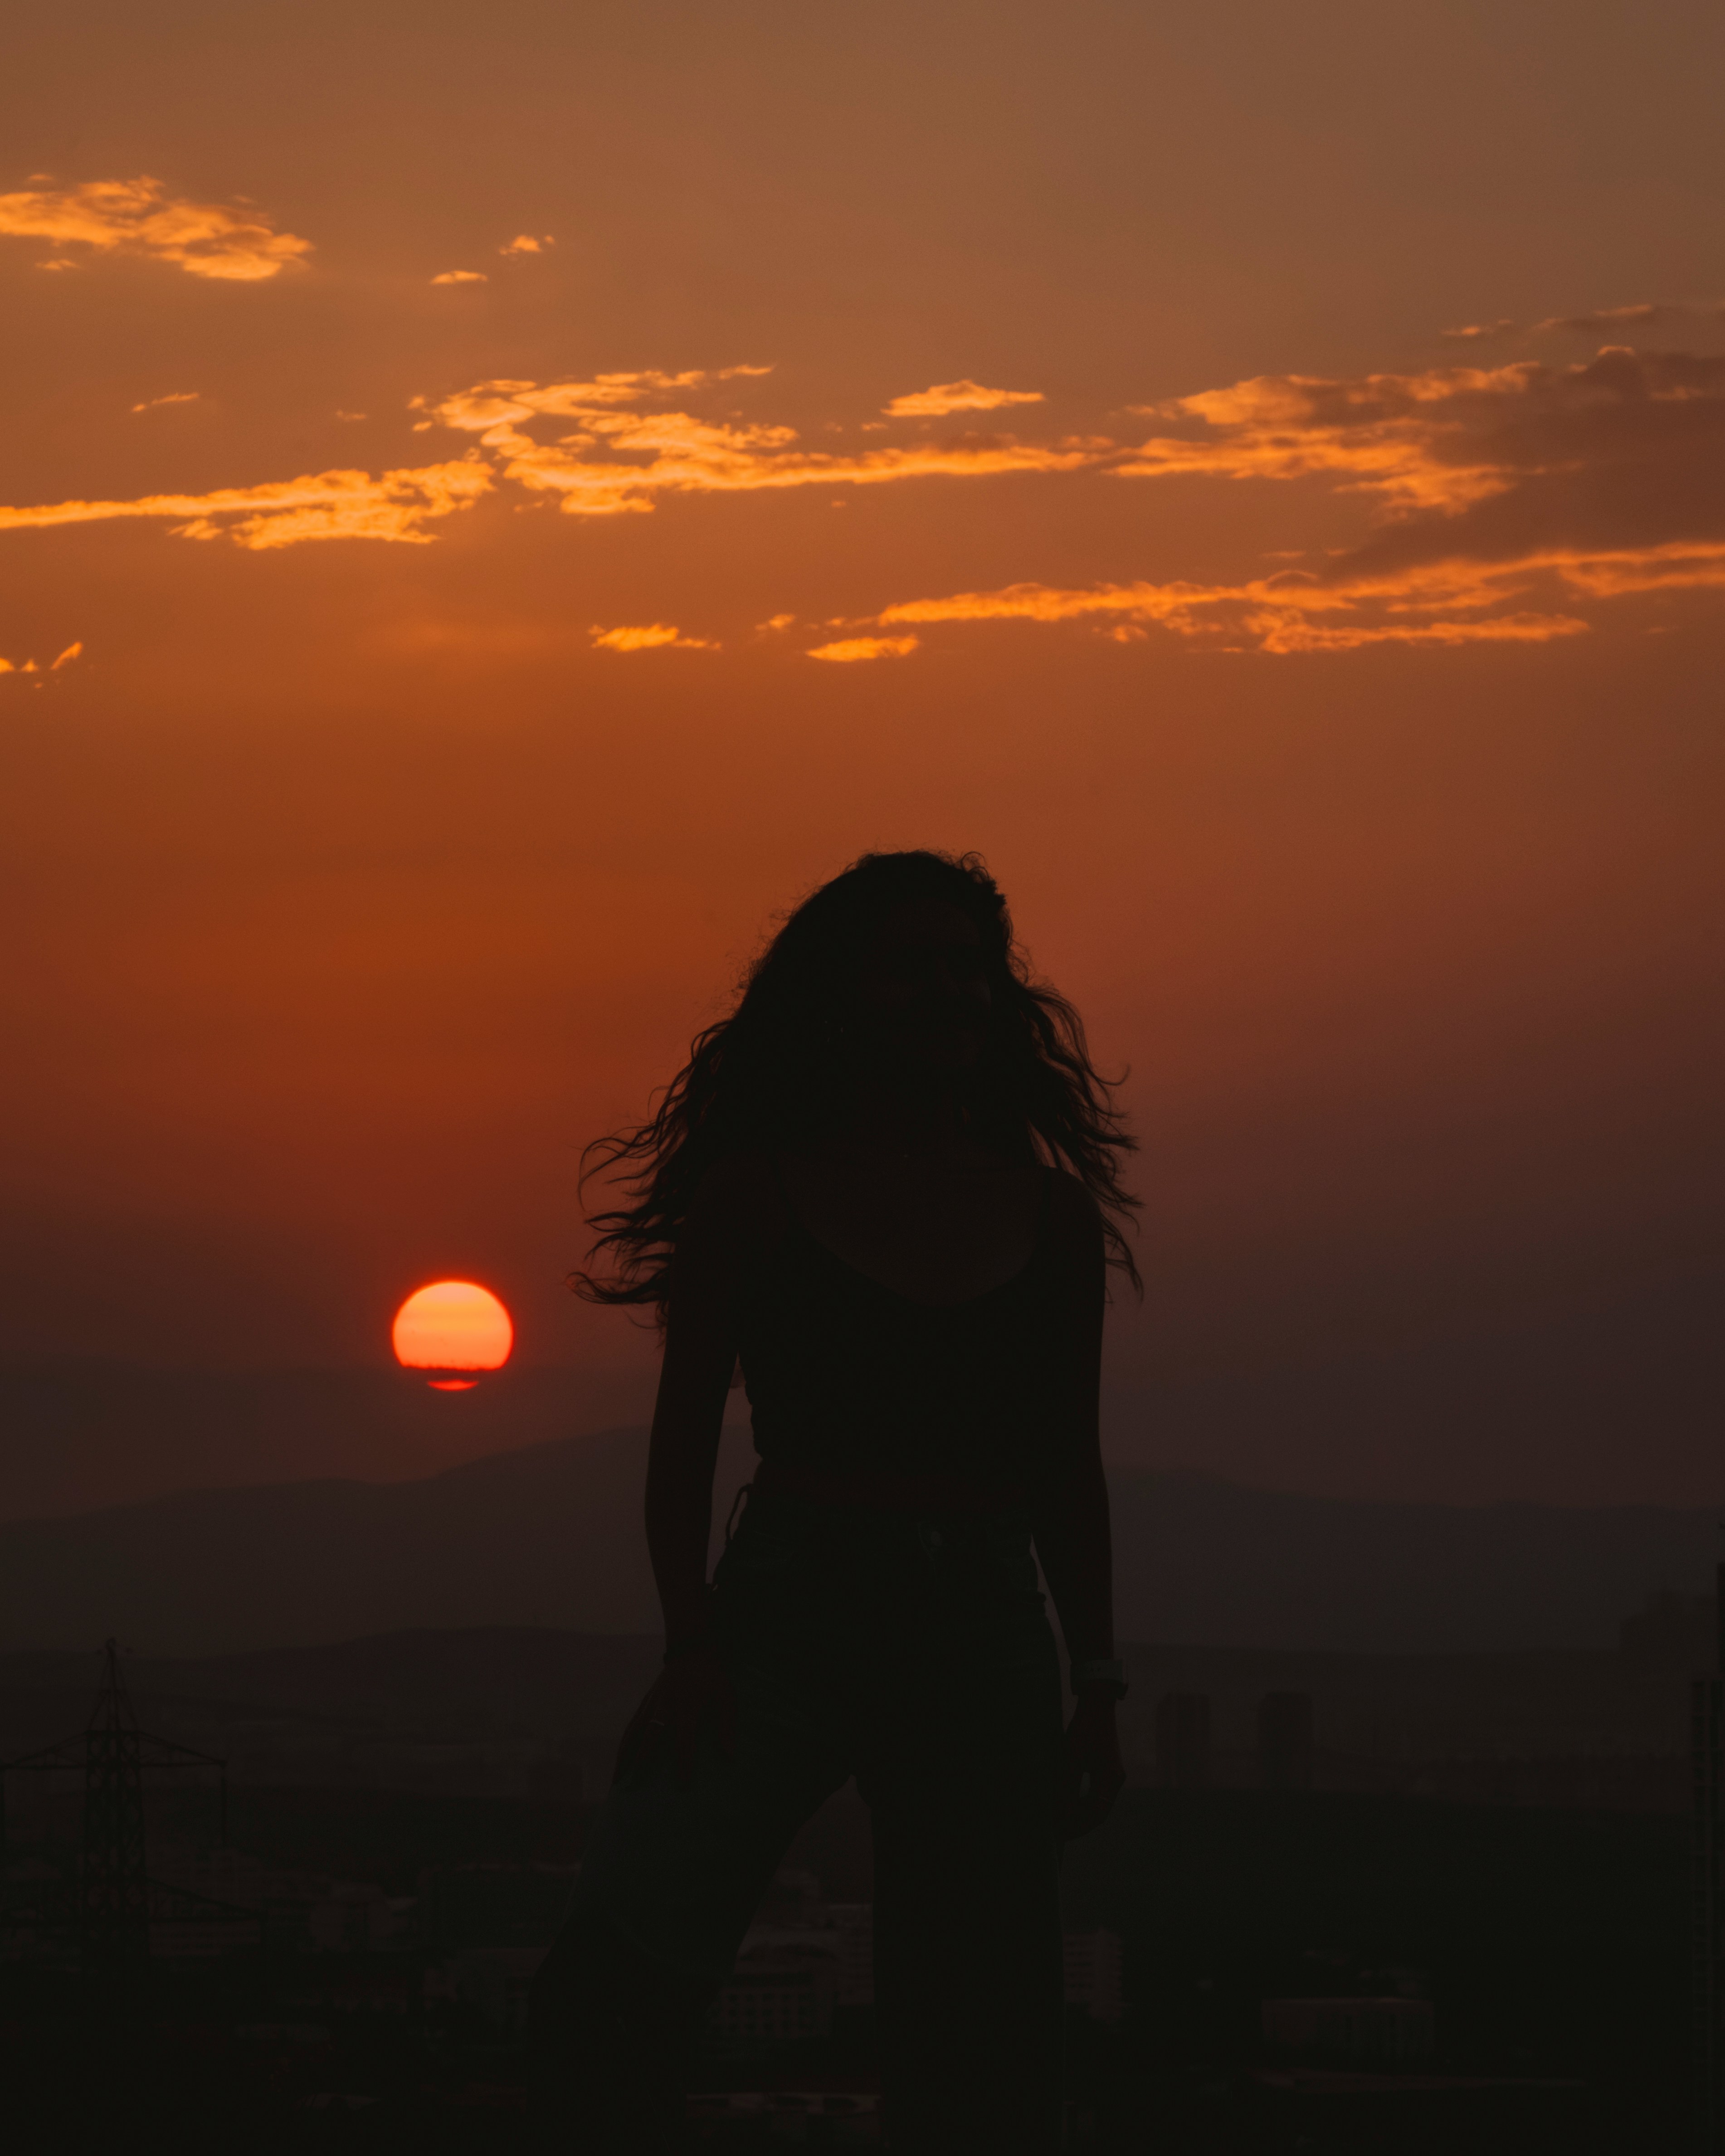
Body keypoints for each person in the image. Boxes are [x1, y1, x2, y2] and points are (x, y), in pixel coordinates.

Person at [528, 849, 1138, 2153]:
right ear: (841, 996)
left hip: (982, 1623)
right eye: (910, 967)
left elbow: (1064, 1462)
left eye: (969, 968)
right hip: (787, 1608)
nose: (949, 992)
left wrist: (1096, 1681)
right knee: (619, 1958)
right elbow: (681, 1445)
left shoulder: (1049, 1216)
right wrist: (691, 1643)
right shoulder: (758, 1197)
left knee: (981, 2026)